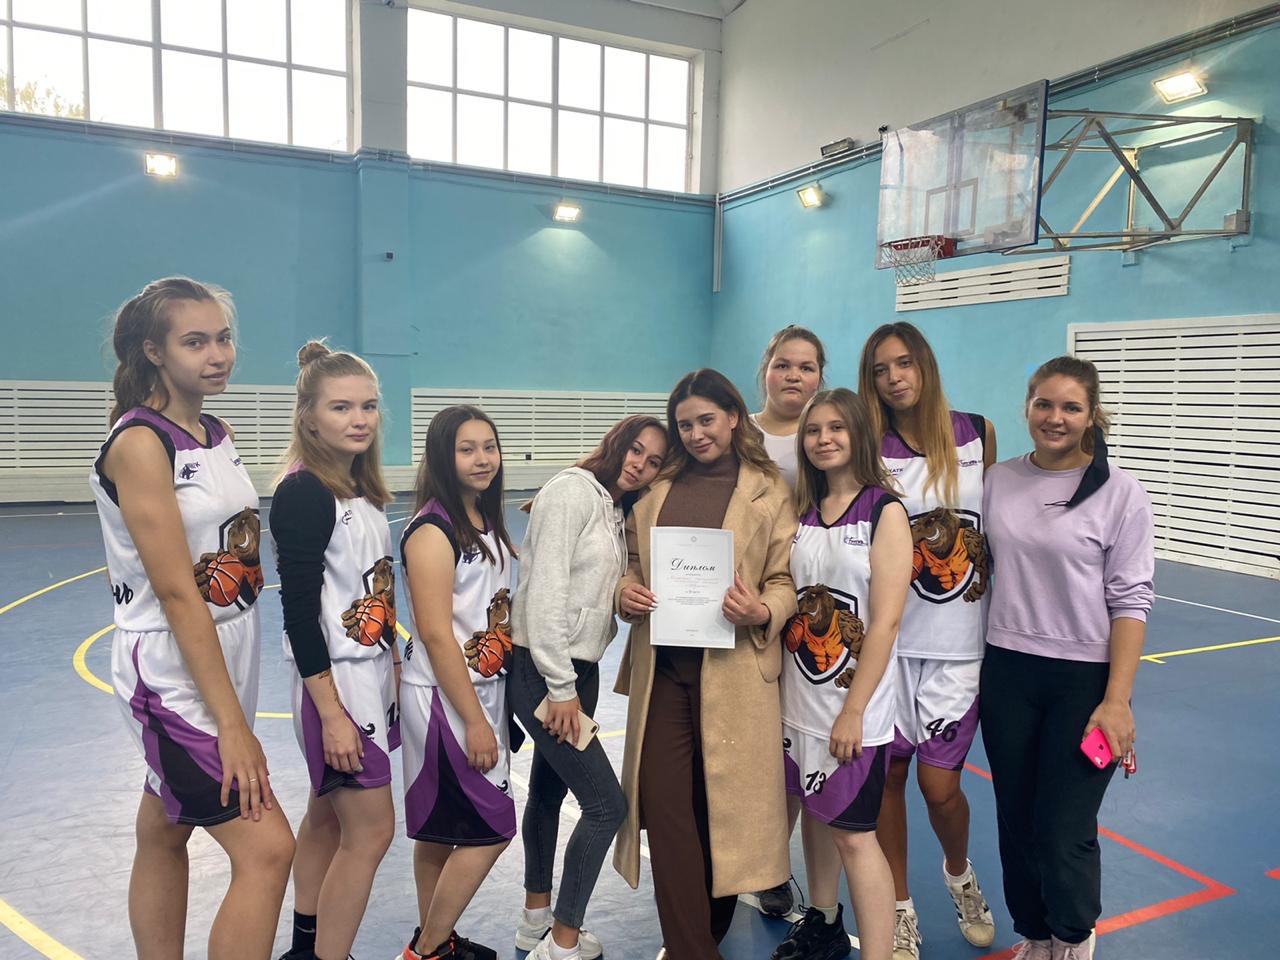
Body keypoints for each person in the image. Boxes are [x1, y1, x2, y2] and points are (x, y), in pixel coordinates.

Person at [89, 277, 294, 960]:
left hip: (227, 646)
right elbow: (178, 596)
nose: (218, 354)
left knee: (164, 829)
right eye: (196, 342)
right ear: (154, 351)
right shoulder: (140, 444)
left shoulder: (213, 432)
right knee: (268, 848)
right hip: (171, 668)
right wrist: (233, 725)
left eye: (224, 338)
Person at [613, 368, 799, 959]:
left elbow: (784, 580)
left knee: (720, 814)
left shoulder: (770, 490)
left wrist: (761, 609)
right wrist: (625, 590)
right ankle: (694, 949)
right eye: (685, 425)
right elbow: (630, 560)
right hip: (665, 674)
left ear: (734, 417)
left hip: (735, 674)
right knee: (667, 813)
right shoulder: (657, 486)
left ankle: (699, 940)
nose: (696, 434)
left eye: (706, 420)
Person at [980, 357, 1153, 960]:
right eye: (1044, 404)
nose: (1055, 418)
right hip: (1007, 671)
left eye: (1071, 407)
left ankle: (1074, 937)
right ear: (1027, 407)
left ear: (1091, 415)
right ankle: (1034, 933)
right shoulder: (998, 480)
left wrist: (1117, 700)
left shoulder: (1120, 493)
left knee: (1063, 827)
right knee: (1015, 818)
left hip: (1084, 682)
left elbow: (1131, 599)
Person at [857, 321, 997, 960]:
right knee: (889, 778)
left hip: (959, 643)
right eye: (880, 369)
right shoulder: (868, 445)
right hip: (888, 643)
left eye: (904, 363)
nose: (894, 378)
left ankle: (960, 875)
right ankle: (899, 908)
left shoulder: (977, 433)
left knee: (941, 789)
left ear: (925, 365)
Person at [508, 415, 669, 960]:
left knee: (549, 792)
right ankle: (562, 941)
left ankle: (534, 921)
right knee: (605, 806)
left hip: (582, 668)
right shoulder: (572, 491)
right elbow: (544, 593)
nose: (640, 465)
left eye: (653, 462)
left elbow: (590, 585)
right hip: (547, 671)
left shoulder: (614, 507)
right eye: (636, 450)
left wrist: (622, 595)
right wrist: (560, 687)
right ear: (616, 442)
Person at [771, 389, 911, 960]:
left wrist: (854, 710)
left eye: (836, 428)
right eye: (813, 430)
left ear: (858, 434)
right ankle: (824, 922)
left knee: (855, 836)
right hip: (797, 701)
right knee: (814, 812)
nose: (823, 439)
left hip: (853, 709)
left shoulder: (885, 511)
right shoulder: (802, 509)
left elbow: (886, 622)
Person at [272, 342, 399, 960]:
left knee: (326, 817)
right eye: (341, 407)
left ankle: (306, 945)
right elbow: (299, 615)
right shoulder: (304, 493)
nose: (359, 418)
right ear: (309, 417)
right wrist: (332, 715)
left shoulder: (360, 489)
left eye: (368, 406)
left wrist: (392, 660)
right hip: (338, 687)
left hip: (369, 675)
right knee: (372, 833)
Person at [398, 405, 518, 960]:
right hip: (445, 700)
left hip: (478, 690)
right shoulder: (433, 530)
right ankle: (425, 950)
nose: (482, 458)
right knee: (495, 828)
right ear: (442, 458)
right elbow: (435, 633)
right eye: (466, 449)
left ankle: (437, 942)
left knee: (438, 832)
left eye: (489, 446)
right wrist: (474, 721)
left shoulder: (484, 520)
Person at [750, 325, 827, 492]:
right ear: (765, 371)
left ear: (819, 377)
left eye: (806, 368)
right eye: (782, 366)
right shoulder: (737, 430)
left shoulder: (827, 438)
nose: (793, 377)